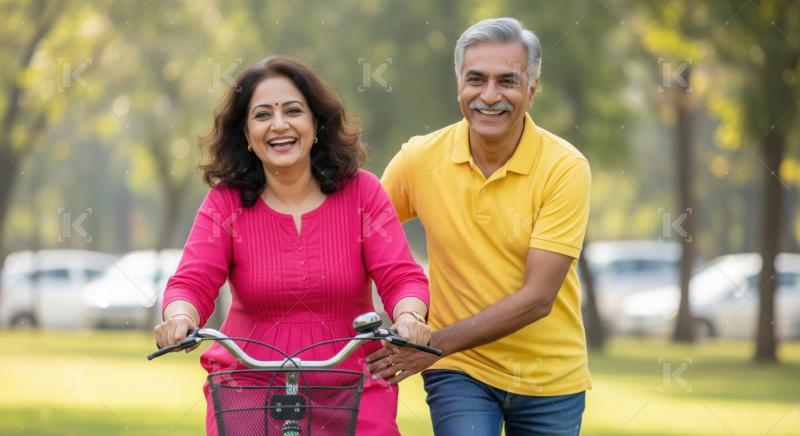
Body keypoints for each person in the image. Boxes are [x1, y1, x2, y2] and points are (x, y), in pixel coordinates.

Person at [153, 56, 430, 436]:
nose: (279, 125)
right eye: (263, 115)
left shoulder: (363, 192)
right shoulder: (225, 203)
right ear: (246, 133)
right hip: (249, 389)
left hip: (353, 385)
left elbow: (401, 277)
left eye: (293, 111)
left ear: (316, 123)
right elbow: (192, 282)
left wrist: (410, 318)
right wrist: (180, 317)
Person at [367, 17, 591, 435]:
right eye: (476, 79)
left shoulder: (565, 168)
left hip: (550, 379)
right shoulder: (419, 159)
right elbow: (360, 235)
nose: (490, 96)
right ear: (459, 84)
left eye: (507, 81)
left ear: (531, 89)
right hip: (460, 370)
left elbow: (538, 298)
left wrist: (430, 345)